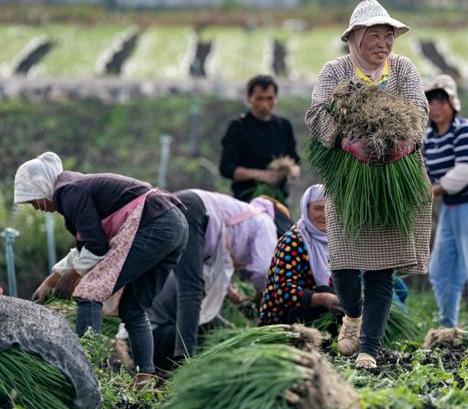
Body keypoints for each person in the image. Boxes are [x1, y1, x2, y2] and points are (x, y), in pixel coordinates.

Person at [305, 0, 432, 369]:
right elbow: (316, 113)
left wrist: (404, 141)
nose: (383, 43)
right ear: (356, 37)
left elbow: (419, 110)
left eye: (388, 36)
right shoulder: (336, 71)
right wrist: (346, 143)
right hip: (350, 181)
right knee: (344, 264)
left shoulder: (404, 69)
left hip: (394, 179)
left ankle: (369, 350)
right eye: (374, 36)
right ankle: (353, 315)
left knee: (382, 269)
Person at [16, 152, 187, 384]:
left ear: (43, 185)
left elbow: (95, 246)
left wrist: (74, 276)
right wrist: (53, 279)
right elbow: (85, 247)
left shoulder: (68, 192)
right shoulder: (74, 189)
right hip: (173, 225)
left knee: (89, 291)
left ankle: (84, 368)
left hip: (154, 224)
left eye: (33, 199)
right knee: (134, 309)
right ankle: (145, 378)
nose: (36, 206)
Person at [144, 189, 277, 368]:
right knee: (191, 287)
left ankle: (153, 353)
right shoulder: (265, 222)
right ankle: (185, 357)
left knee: (178, 281)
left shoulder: (242, 217)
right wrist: (265, 297)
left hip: (176, 205)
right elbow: (263, 270)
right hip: (192, 209)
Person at [422, 74, 468, 328]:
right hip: (451, 208)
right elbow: (424, 172)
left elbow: (463, 173)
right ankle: (447, 325)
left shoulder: (463, 129)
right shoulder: (429, 138)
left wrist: (432, 192)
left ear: (452, 103)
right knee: (441, 270)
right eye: (430, 102)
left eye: (441, 101)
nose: (436, 108)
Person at [258, 184, 342, 326]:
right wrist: (322, 298)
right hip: (283, 319)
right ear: (306, 209)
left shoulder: (335, 242)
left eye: (330, 209)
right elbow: (284, 291)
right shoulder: (293, 241)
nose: (325, 215)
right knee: (325, 292)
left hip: (315, 315)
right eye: (318, 208)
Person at [219, 74, 301, 204]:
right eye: (259, 99)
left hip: (278, 200)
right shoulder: (238, 126)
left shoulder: (284, 126)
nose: (264, 105)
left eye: (269, 99)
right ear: (249, 98)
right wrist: (262, 175)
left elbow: (294, 160)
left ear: (276, 99)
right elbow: (226, 168)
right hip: (246, 200)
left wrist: (289, 170)